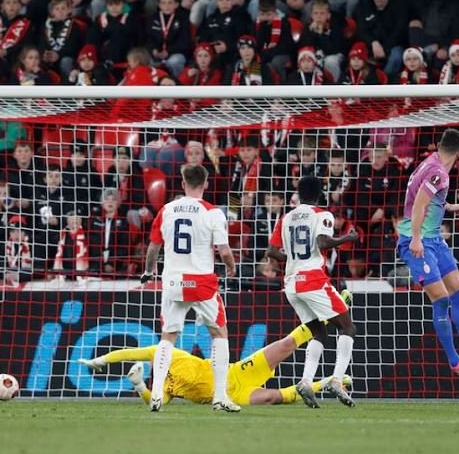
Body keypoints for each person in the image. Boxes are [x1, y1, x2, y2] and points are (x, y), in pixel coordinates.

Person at [79, 310, 353, 407]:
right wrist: (139, 385)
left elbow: (129, 352)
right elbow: (155, 402)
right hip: (236, 396)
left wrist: (100, 361)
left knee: (284, 345)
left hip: (237, 374)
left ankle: (330, 313)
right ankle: (325, 382)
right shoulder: (169, 388)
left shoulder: (166, 352)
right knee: (272, 398)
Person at [396, 128, 459, 381]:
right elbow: (418, 204)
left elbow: (428, 199)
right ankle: (454, 361)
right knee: (441, 298)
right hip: (416, 240)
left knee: (458, 291)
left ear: (439, 144)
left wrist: (451, 206)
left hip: (434, 240)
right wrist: (416, 238)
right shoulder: (438, 172)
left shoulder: (430, 162)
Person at [141, 164, 239, 413]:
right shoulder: (213, 212)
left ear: (183, 183)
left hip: (173, 281)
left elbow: (153, 248)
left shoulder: (167, 209)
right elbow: (224, 250)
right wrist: (231, 268)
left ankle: (156, 393)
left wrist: (149, 271)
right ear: (205, 184)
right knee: (219, 334)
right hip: (202, 283)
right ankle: (219, 396)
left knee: (168, 337)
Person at [266, 175, 359, 408]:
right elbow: (323, 242)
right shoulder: (322, 214)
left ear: (299, 193)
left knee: (319, 333)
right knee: (348, 326)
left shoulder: (286, 218)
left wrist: (295, 259)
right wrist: (348, 237)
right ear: (319, 194)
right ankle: (337, 379)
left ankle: (306, 381)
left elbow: (271, 251)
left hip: (292, 284)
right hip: (313, 280)